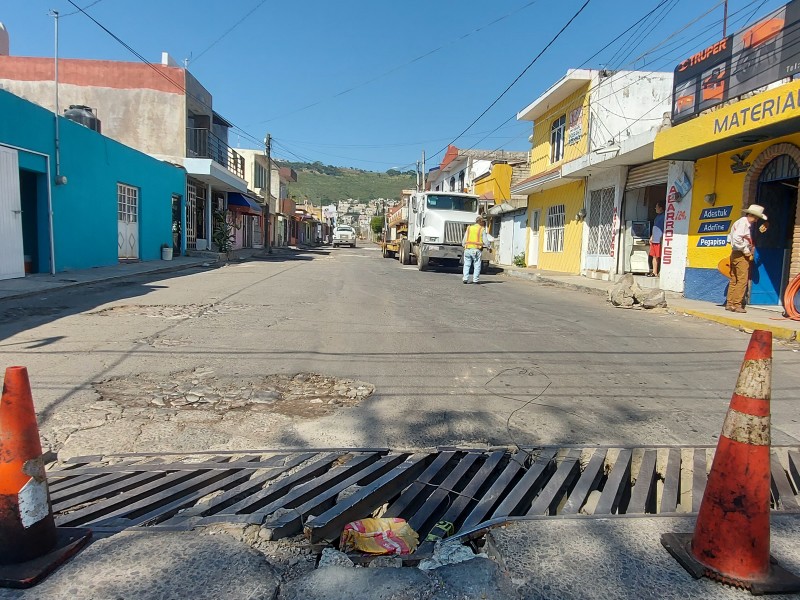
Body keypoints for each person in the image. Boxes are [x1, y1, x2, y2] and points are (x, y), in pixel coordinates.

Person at [726, 203, 768, 313]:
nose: (756, 220)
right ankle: (736, 304)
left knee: (734, 279)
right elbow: (737, 238)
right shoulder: (744, 224)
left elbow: (730, 238)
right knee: (742, 280)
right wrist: (746, 251)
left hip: (735, 253)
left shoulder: (738, 222)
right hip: (741, 254)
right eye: (756, 218)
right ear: (753, 216)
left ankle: (730, 303)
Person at [462, 215, 493, 284]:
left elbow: (465, 238)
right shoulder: (481, 229)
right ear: (481, 222)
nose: (484, 224)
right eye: (483, 222)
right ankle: (475, 280)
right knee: (477, 265)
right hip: (476, 250)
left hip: (467, 249)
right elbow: (485, 240)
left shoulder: (469, 228)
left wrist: (463, 245)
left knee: (466, 265)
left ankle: (465, 279)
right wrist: (489, 247)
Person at [648, 201, 665, 277]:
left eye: (657, 207)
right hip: (655, 239)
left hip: (660, 239)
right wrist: (652, 237)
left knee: (660, 256)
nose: (655, 208)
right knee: (654, 256)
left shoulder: (665, 216)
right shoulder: (657, 217)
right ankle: (654, 272)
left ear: (661, 208)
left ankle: (660, 272)